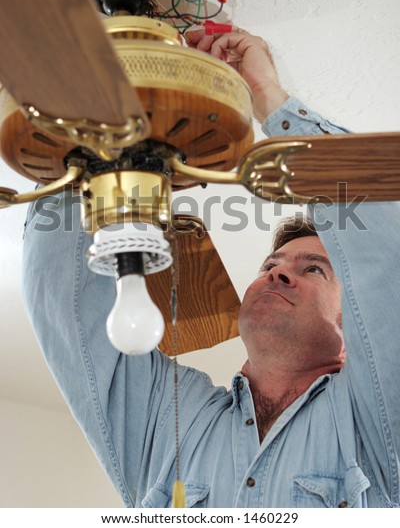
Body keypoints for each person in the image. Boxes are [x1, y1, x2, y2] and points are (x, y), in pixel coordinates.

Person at [22, 28, 400, 508]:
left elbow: (389, 248)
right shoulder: (173, 423)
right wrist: (93, 148)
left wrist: (269, 102)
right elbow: (66, 305)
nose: (278, 274)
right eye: (272, 264)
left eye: (314, 270)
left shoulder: (372, 420)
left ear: (355, 324)